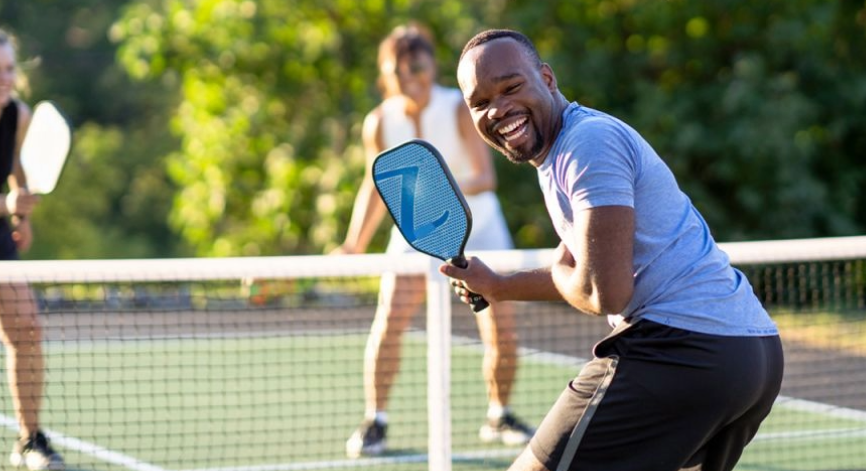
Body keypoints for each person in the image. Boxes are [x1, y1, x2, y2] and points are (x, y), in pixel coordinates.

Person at [440, 28, 784, 471]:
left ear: (546, 78)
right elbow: (584, 269)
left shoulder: (587, 145)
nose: (498, 109)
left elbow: (605, 292)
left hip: (682, 350)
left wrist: (564, 270)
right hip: (750, 355)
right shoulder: (564, 151)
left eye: (511, 87)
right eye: (480, 103)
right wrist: (500, 286)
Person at [334, 23, 534, 458]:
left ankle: (499, 414)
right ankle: (376, 421)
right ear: (387, 75)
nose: (410, 78)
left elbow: (485, 176)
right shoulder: (379, 122)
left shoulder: (458, 107)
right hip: (413, 237)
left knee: (500, 327)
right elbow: (375, 187)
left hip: (480, 229)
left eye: (417, 68)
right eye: (398, 71)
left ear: (430, 66)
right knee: (389, 320)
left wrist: (437, 197)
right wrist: (353, 243)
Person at [0, 24, 65, 471]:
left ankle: (30, 441)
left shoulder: (19, 115)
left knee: (27, 333)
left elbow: (17, 167)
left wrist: (21, 215)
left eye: (9, 68)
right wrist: (8, 203)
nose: (3, 77)